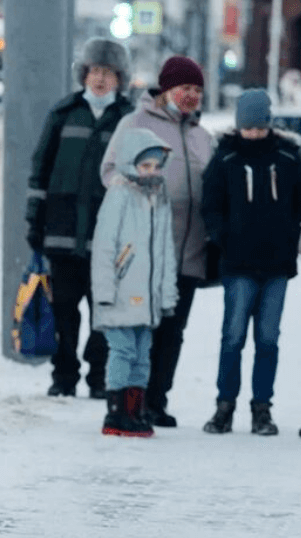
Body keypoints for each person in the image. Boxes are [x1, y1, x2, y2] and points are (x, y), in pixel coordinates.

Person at [100, 55, 214, 427]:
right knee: (141, 331)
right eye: (185, 88)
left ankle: (157, 401)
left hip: (188, 249)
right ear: (166, 90)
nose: (191, 95)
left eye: (197, 90)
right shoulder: (135, 123)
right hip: (144, 254)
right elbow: (110, 171)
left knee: (173, 332)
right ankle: (133, 403)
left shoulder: (201, 136)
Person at [26, 37, 134, 398]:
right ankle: (64, 375)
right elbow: (40, 170)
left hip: (109, 238)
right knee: (64, 311)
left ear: (120, 78)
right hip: (62, 231)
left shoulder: (128, 120)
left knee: (104, 313)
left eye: (108, 72)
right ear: (84, 74)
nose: (100, 78)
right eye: (95, 70)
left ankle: (99, 376)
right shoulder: (64, 113)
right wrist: (34, 219)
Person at [200, 89, 301, 436]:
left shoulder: (289, 157)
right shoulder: (226, 158)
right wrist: (222, 236)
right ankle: (224, 407)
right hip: (238, 262)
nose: (255, 134)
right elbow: (210, 204)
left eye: (260, 128)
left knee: (269, 339)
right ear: (239, 125)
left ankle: (262, 409)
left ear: (269, 124)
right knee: (233, 336)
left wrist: (291, 235)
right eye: (249, 128)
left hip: (277, 264)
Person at [92, 129, 178, 437]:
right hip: (119, 293)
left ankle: (134, 409)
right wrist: (104, 290)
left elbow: (165, 252)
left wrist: (167, 295)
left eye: (156, 166)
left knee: (143, 355)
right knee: (123, 351)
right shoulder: (119, 195)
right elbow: (104, 246)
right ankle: (115, 412)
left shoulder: (159, 199)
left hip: (148, 297)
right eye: (144, 166)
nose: (151, 172)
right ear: (130, 164)